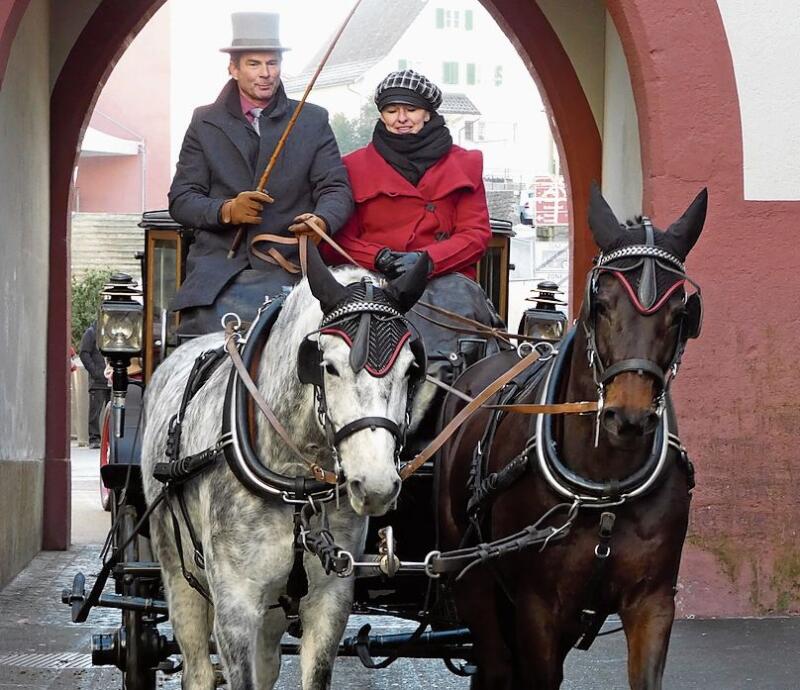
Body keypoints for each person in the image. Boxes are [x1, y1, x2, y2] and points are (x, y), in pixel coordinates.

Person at [169, 12, 353, 334]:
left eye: (273, 63)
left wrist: (321, 220)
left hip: (291, 268)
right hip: (217, 274)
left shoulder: (312, 120)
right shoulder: (204, 123)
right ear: (233, 68)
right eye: (254, 64)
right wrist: (226, 210)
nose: (266, 74)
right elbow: (182, 200)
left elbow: (336, 188)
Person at [321, 69, 491, 281]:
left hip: (444, 276)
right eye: (391, 111)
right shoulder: (353, 166)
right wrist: (377, 258)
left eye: (411, 109)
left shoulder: (465, 163)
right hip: (370, 276)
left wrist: (427, 260)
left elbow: (475, 234)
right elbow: (338, 239)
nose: (401, 118)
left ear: (428, 113)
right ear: (382, 116)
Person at [79, 322, 109, 449]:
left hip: (112, 379)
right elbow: (84, 353)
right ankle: (94, 438)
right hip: (98, 381)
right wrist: (95, 371)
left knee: (113, 411)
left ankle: (110, 439)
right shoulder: (91, 332)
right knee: (95, 412)